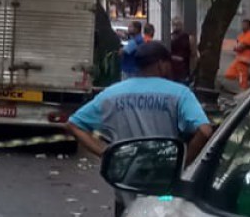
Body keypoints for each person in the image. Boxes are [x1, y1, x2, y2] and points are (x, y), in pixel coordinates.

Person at [66, 39, 215, 186]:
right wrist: (181, 164)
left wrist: (107, 154)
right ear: (161, 64)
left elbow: (73, 124)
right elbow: (205, 131)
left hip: (125, 180)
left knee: (125, 210)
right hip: (163, 180)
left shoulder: (112, 94)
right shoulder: (180, 94)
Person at [224, 16, 250, 91]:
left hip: (245, 60)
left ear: (249, 26)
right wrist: (236, 47)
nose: (243, 26)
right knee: (229, 74)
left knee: (243, 78)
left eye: (245, 24)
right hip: (238, 59)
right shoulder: (241, 35)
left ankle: (244, 90)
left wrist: (237, 47)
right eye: (242, 24)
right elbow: (237, 46)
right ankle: (248, 82)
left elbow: (240, 47)